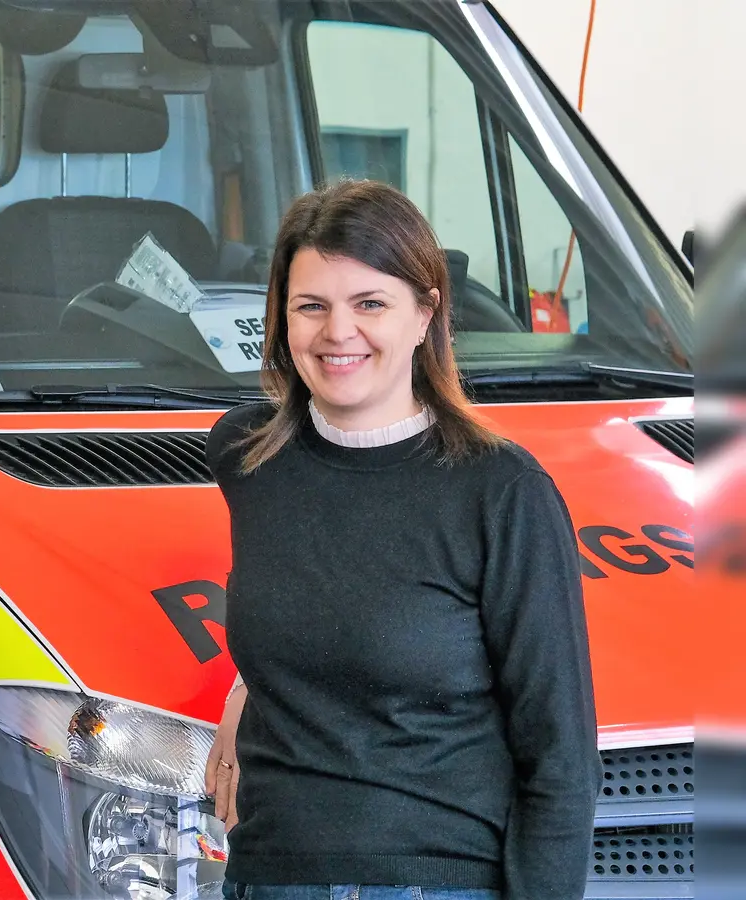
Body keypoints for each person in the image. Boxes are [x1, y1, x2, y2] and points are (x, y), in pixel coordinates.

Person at [201, 179, 598, 900]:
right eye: (310, 306)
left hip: (434, 882)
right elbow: (326, 604)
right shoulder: (246, 456)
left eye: (370, 304)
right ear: (281, 319)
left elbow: (560, 758)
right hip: (265, 877)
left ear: (425, 313)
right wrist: (248, 685)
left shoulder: (502, 493)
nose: (337, 333)